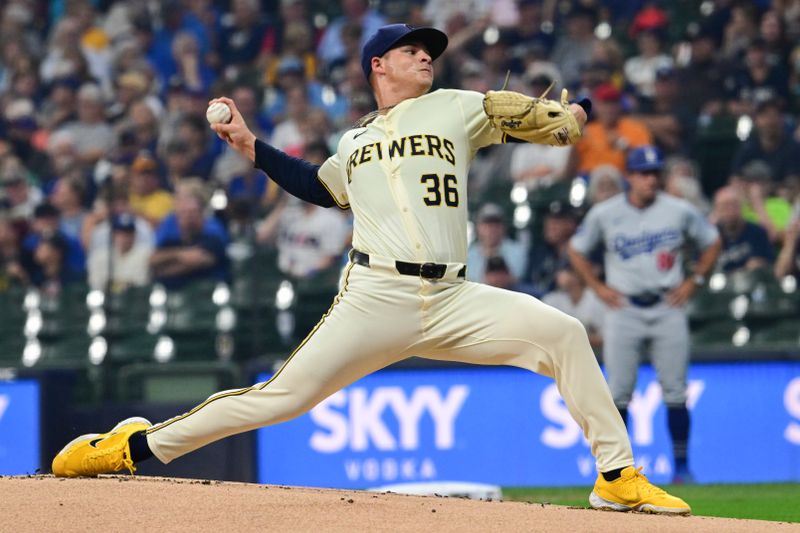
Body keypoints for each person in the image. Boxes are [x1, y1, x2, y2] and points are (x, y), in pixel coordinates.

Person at [52, 24, 690, 515]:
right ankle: (132, 448)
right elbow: (319, 186)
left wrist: (570, 117)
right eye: (412, 51)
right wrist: (251, 147)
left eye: (428, 51)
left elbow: (528, 120)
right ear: (378, 66)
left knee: (564, 333)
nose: (425, 57)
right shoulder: (353, 141)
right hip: (375, 294)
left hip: (454, 295)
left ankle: (616, 478)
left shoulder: (457, 106)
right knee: (280, 399)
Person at [568, 145, 721, 485]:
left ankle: (681, 467)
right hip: (624, 309)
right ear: (630, 177)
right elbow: (576, 250)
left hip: (668, 306)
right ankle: (618, 470)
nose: (651, 179)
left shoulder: (678, 210)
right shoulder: (605, 214)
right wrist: (597, 287)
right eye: (644, 173)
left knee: (676, 393)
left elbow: (712, 241)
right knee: (618, 393)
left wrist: (694, 280)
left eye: (655, 173)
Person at [711, 186, 774, 273]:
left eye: (734, 205)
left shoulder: (757, 232)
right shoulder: (710, 236)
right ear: (717, 209)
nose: (730, 210)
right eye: (724, 206)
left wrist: (760, 264)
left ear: (741, 206)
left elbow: (768, 262)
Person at [465, 203, 526, 286]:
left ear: (503, 227)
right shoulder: (469, 254)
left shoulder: (517, 250)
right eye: (487, 225)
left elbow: (516, 278)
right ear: (478, 227)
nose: (492, 229)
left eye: (496, 224)